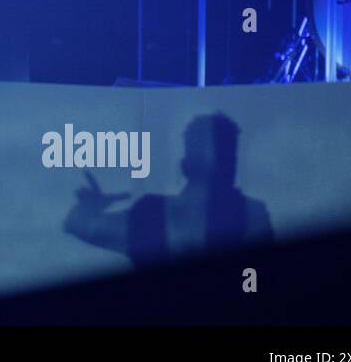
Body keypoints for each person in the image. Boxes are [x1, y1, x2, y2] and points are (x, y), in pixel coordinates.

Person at [62, 113, 273, 268]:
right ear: (233, 161)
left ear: (184, 161)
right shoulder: (252, 214)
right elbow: (256, 283)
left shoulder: (148, 214)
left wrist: (91, 206)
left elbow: (78, 224)